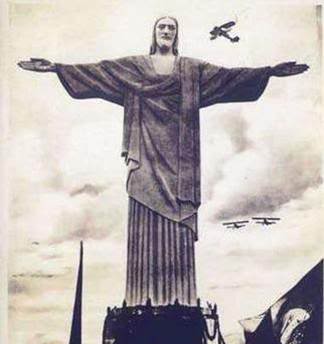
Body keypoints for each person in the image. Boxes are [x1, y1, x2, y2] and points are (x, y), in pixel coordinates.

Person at [18, 17, 308, 306]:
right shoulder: (135, 68)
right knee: (144, 212)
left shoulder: (192, 70)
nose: (166, 31)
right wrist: (57, 68)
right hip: (144, 154)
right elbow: (100, 72)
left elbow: (228, 77)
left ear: (176, 35)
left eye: (171, 28)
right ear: (154, 33)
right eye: (162, 27)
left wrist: (268, 72)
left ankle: (179, 298)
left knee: (177, 224)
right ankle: (140, 298)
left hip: (180, 161)